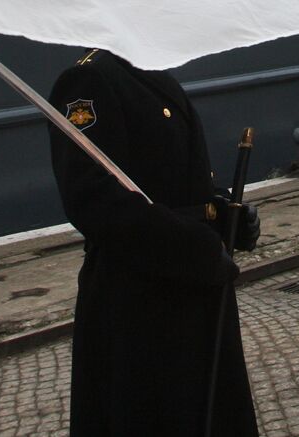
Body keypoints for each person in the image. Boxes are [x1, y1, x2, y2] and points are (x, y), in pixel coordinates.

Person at [48, 48, 259, 437]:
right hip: (140, 304)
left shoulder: (154, 73)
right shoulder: (88, 81)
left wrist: (223, 211)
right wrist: (195, 247)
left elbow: (176, 177)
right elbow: (94, 201)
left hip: (193, 292)